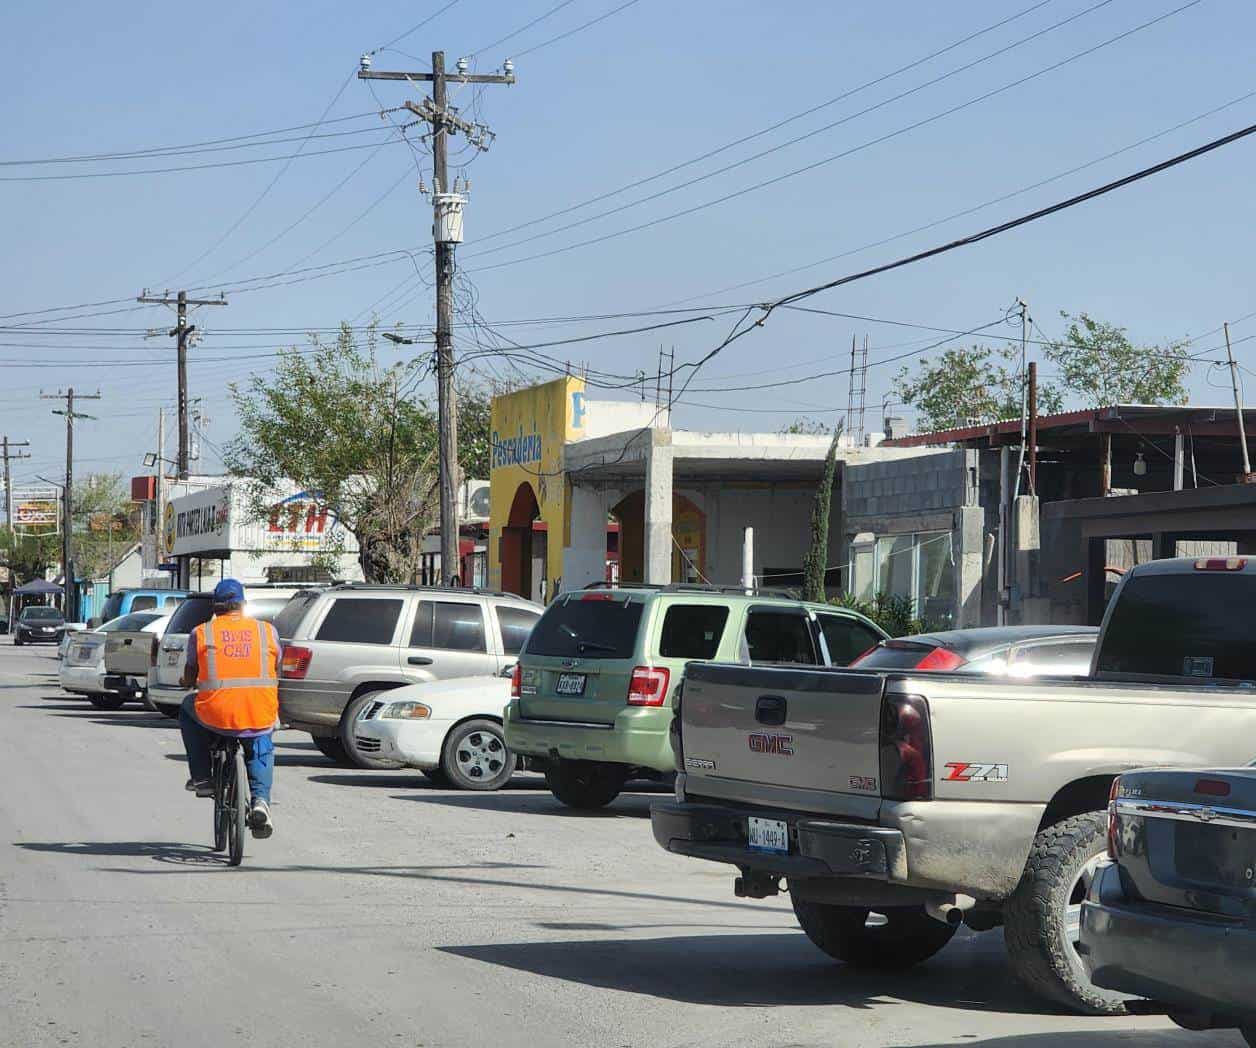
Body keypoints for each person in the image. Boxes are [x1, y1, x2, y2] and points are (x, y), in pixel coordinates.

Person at [179, 578, 279, 839]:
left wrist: (186, 682)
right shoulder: (267, 631)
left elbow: (191, 672)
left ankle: (202, 777)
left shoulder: (201, 632)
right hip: (258, 709)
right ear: (243, 606)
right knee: (260, 745)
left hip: (216, 714)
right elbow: (276, 665)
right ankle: (260, 802)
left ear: (215, 607)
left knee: (187, 707)